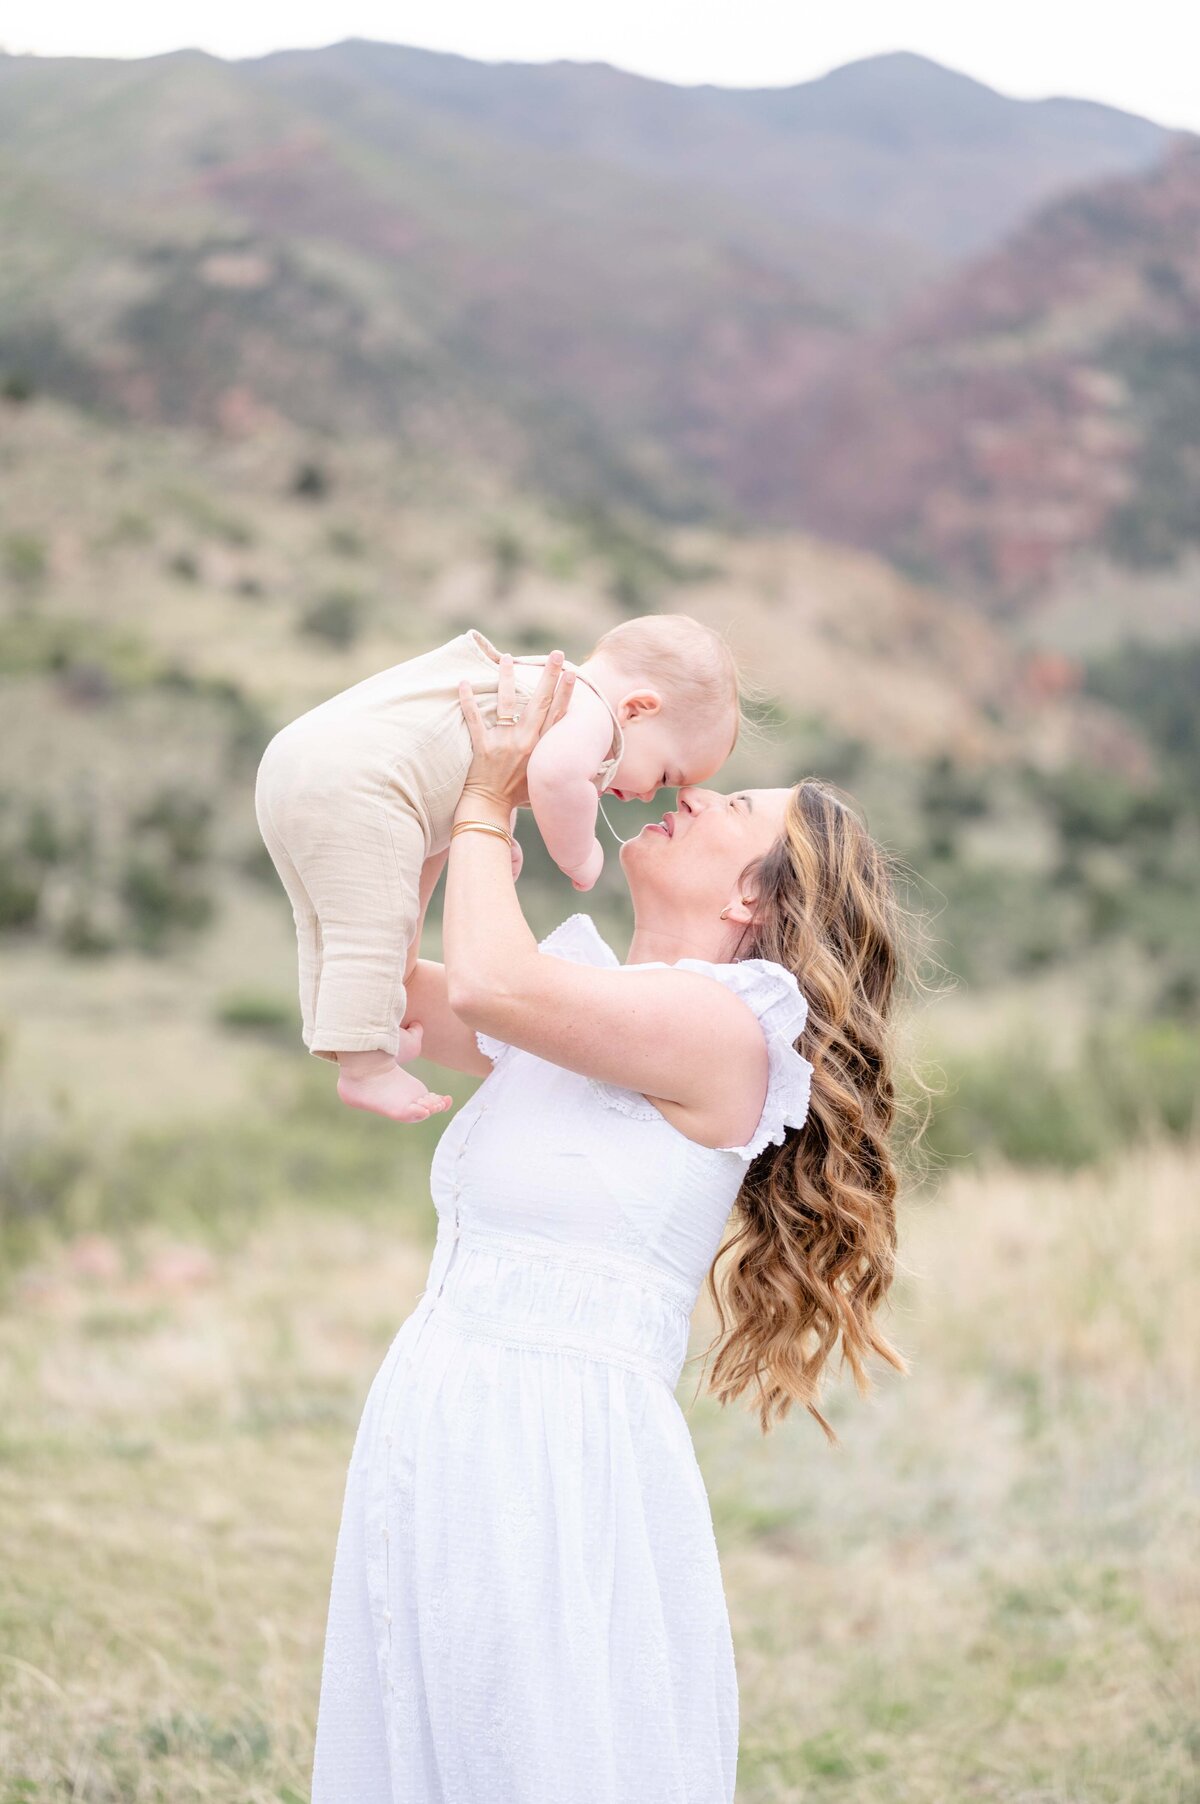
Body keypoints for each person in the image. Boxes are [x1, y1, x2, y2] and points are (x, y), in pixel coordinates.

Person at [309, 652, 912, 1804]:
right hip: (443, 1406)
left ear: (755, 900)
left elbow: (487, 986)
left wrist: (494, 803)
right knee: (432, 1736)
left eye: (729, 806)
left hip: (554, 1449)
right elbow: (378, 983)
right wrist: (423, 813)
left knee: (541, 1751)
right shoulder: (583, 999)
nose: (686, 795)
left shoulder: (726, 1034)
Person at [253, 617, 739, 1123]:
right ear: (637, 710)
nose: (646, 795)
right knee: (376, 923)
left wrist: (498, 830)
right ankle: (366, 1068)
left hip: (297, 763)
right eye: (664, 776)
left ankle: (347, 1028)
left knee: (329, 924)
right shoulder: (590, 711)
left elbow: (483, 757)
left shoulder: (530, 684)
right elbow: (555, 775)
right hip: (364, 785)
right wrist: (581, 855)